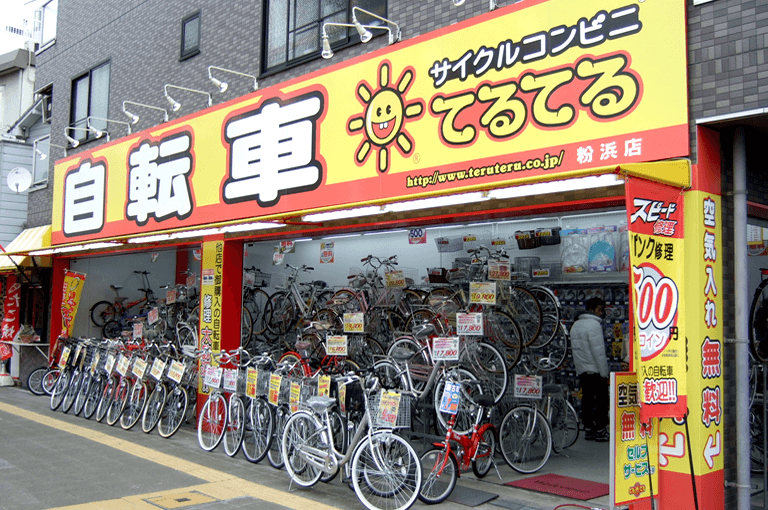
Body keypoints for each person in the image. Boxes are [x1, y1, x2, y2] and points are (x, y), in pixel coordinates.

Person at [570, 297, 610, 442]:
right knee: (601, 401)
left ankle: (588, 428)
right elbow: (598, 353)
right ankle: (600, 430)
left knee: (587, 399)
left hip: (583, 370)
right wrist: (604, 372)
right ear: (592, 310)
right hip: (596, 371)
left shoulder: (576, 325)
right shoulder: (593, 325)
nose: (601, 313)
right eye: (599, 309)